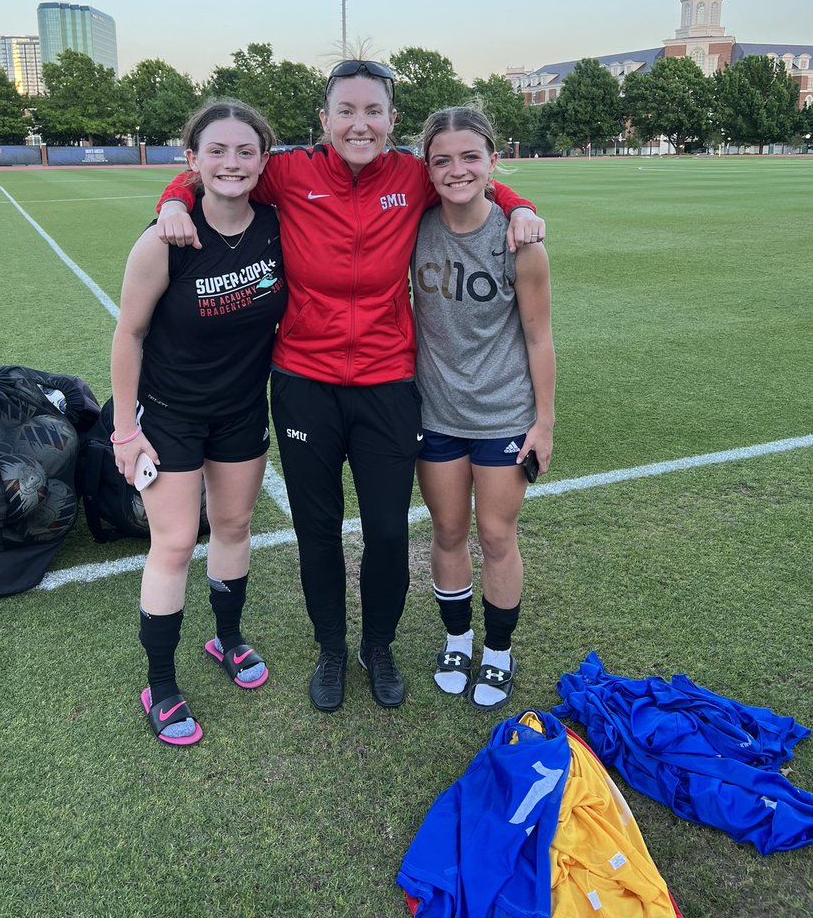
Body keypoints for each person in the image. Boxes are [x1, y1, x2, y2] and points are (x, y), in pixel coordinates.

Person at [154, 61, 546, 712]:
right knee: (318, 528)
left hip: (389, 382)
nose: (360, 123)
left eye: (374, 111)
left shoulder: (411, 175)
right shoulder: (288, 171)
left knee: (390, 531)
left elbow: (470, 177)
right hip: (305, 380)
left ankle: (379, 646)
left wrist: (520, 204)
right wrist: (171, 198)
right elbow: (217, 171)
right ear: (325, 119)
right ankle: (332, 648)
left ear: (393, 120)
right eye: (347, 110)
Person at [110, 99, 287, 746]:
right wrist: (126, 432)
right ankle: (159, 682)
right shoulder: (165, 240)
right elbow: (127, 336)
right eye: (217, 151)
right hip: (171, 417)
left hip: (241, 410)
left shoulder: (276, 223)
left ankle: (228, 638)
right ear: (192, 161)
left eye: (246, 151)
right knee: (177, 543)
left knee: (236, 526)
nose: (232, 163)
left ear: (263, 161)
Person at [411, 106, 555, 712]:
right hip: (435, 414)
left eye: (470, 156)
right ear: (428, 168)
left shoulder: (519, 241)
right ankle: (457, 640)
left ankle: (497, 650)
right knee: (447, 531)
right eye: (442, 159)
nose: (456, 169)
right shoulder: (414, 228)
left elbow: (539, 336)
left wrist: (543, 423)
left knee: (495, 534)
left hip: (503, 415)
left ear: (494, 162)